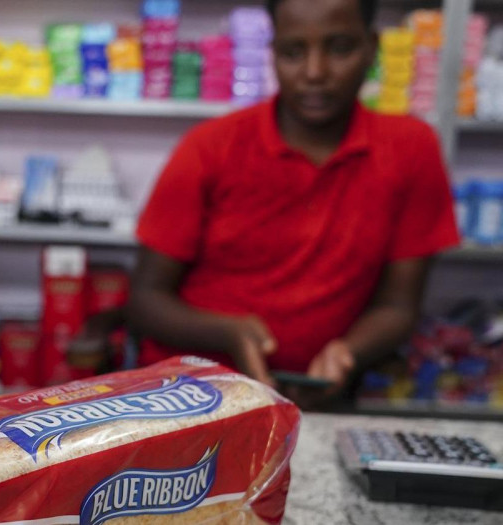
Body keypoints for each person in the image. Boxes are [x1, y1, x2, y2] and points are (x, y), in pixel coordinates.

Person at [128, 0, 460, 406]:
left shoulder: (411, 150)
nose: (315, 73)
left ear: (372, 48)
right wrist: (229, 334)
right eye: (292, 52)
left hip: (319, 401)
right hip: (186, 397)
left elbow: (398, 306)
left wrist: (348, 353)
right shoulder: (210, 147)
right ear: (273, 52)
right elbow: (145, 300)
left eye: (339, 48)